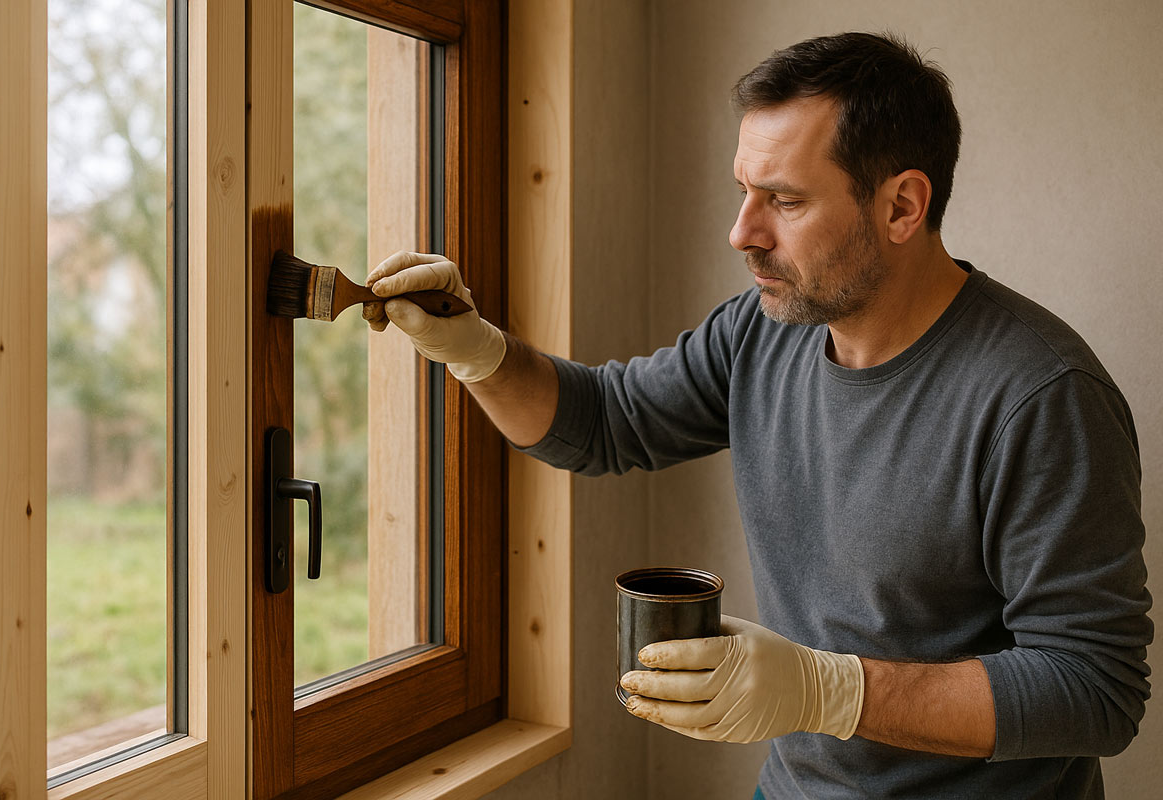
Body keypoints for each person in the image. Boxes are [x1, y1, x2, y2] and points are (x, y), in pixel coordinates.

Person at [362, 31, 1152, 799]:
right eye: (745, 190)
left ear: (903, 206)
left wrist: (830, 692)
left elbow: (1094, 689)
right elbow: (602, 421)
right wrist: (475, 349)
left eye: (785, 200)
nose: (742, 232)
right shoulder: (762, 331)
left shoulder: (1041, 398)